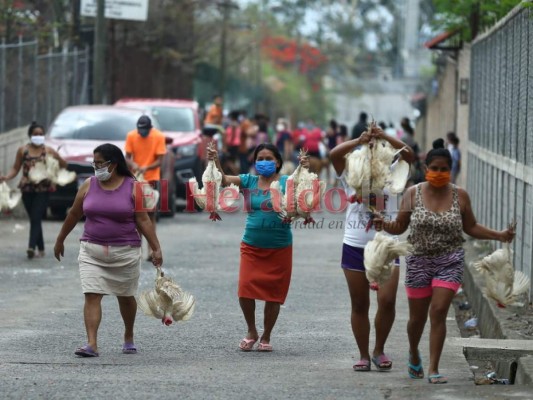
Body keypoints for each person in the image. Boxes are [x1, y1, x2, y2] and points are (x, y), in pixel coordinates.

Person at [373, 147, 515, 384]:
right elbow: (399, 226)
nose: (439, 173)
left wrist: (499, 235)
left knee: (438, 311)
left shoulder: (460, 196)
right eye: (435, 168)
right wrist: (383, 224)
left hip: (450, 261)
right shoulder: (412, 194)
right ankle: (413, 352)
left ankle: (433, 368)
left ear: (450, 170)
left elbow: (471, 226)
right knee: (416, 320)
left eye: (444, 169)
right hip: (418, 261)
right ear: (426, 169)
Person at [53, 143, 163, 357]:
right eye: (94, 163)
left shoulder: (134, 186)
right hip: (91, 251)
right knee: (92, 295)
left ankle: (128, 335)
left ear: (113, 164)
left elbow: (143, 220)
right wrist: (60, 239)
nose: (96, 167)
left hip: (125, 252)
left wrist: (156, 248)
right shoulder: (88, 184)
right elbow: (74, 214)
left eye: (100, 163)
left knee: (126, 296)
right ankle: (91, 344)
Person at [206, 143, 309, 352]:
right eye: (260, 158)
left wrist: (304, 168)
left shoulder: (286, 182)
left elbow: (305, 194)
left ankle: (266, 335)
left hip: (280, 247)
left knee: (273, 294)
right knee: (245, 289)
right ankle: (251, 330)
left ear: (278, 162)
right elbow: (224, 179)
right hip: (251, 245)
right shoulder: (248, 181)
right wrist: (215, 159)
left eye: (268, 158)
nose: (264, 162)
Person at [329, 124, 415, 372]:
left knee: (387, 301)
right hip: (355, 243)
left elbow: (408, 154)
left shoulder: (394, 172)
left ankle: (379, 349)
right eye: (368, 146)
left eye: (377, 146)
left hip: (386, 243)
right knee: (359, 304)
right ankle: (363, 354)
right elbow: (335, 153)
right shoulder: (350, 170)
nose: (372, 149)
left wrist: (384, 137)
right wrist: (359, 139)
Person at [0, 122, 67, 259]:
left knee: (36, 217)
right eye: (35, 134)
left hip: (43, 189)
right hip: (27, 189)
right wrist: (6, 177)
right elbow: (16, 168)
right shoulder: (22, 150)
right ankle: (41, 249)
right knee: (34, 219)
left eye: (41, 134)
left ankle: (31, 247)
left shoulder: (48, 151)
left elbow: (63, 164)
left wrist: (57, 159)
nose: (38, 136)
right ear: (30, 135)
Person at [125, 115, 166, 258]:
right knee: (136, 215)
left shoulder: (158, 136)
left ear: (150, 128)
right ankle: (138, 249)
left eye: (144, 130)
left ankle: (151, 250)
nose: (142, 132)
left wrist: (146, 167)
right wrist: (134, 165)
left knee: (150, 215)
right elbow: (127, 157)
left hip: (151, 179)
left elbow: (160, 161)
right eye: (140, 130)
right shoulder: (131, 136)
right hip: (135, 180)